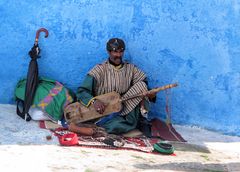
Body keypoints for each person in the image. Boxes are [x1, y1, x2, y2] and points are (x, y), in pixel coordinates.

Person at [76, 38, 156, 135]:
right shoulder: (99, 70)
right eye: (115, 52)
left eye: (121, 51)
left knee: (142, 86)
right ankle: (93, 129)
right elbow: (82, 91)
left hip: (125, 107)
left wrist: (151, 94)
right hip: (104, 111)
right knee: (118, 124)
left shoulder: (130, 69)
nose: (118, 55)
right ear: (108, 52)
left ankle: (140, 120)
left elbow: (143, 85)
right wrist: (94, 101)